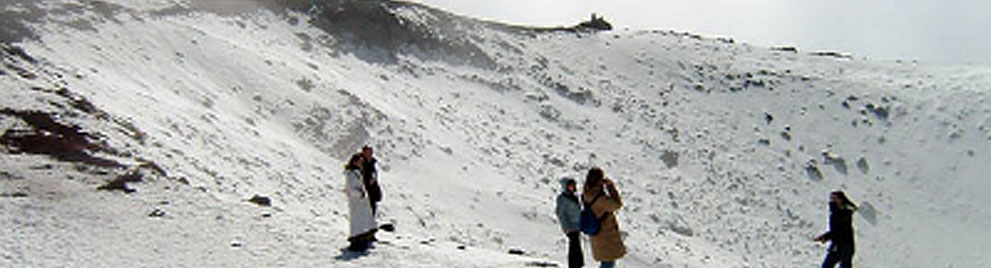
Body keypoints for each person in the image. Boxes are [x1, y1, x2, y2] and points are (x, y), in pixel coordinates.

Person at [582, 167, 626, 268]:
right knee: (608, 263)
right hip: (606, 235)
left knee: (606, 262)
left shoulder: (586, 193)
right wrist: (610, 187)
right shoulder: (600, 199)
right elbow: (617, 204)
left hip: (597, 235)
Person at [814, 191, 858, 268]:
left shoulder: (844, 213)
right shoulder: (835, 212)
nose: (832, 200)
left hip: (845, 246)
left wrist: (825, 237)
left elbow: (838, 231)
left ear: (841, 200)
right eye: (831, 198)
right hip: (837, 245)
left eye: (834, 198)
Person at [344, 154, 377, 251]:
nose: (361, 163)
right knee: (358, 222)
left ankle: (363, 241)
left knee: (363, 222)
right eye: (359, 161)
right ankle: (357, 243)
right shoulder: (350, 174)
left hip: (361, 202)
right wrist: (360, 194)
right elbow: (350, 188)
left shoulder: (357, 172)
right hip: (357, 201)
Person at [556, 178, 584, 268]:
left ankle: (578, 264)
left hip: (577, 226)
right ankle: (574, 265)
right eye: (570, 185)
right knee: (574, 247)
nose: (572, 187)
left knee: (576, 246)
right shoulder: (562, 198)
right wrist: (566, 228)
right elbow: (561, 214)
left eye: (573, 185)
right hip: (570, 227)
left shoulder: (574, 197)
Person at [360, 146, 383, 216]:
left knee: (372, 207)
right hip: (364, 188)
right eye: (366, 152)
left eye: (370, 152)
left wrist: (373, 179)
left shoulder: (373, 162)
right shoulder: (361, 163)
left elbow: (375, 174)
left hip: (373, 189)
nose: (369, 154)